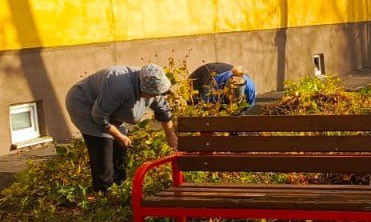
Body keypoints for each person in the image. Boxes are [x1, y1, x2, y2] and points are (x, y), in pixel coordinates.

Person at [65, 64, 177, 192]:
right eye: (152, 94)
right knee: (104, 150)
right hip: (85, 104)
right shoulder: (120, 87)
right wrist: (119, 136)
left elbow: (163, 112)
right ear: (142, 88)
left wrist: (171, 136)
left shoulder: (153, 84)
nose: (155, 96)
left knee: (121, 150)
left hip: (109, 109)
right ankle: (104, 193)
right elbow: (99, 116)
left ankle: (120, 189)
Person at [188, 62, 256, 111]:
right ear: (224, 89)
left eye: (235, 100)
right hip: (200, 79)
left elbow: (246, 107)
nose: (231, 103)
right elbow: (206, 112)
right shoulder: (212, 90)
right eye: (229, 98)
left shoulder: (250, 89)